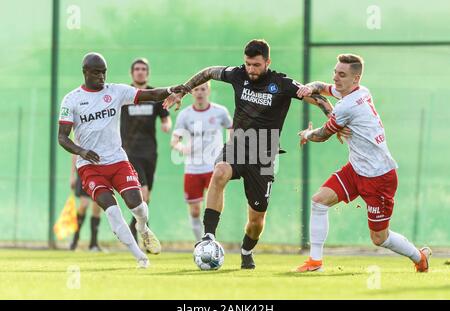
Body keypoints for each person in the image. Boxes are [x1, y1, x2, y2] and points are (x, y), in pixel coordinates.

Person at [163, 39, 341, 269]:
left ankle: (246, 251)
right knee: (219, 172)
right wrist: (182, 90)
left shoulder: (282, 83)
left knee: (256, 221)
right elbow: (208, 72)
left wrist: (334, 119)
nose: (251, 69)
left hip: (264, 157)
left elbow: (318, 99)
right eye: (248, 64)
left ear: (268, 62)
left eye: (256, 65)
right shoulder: (238, 75)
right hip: (237, 146)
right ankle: (208, 236)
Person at [295, 53, 431, 273]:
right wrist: (309, 87)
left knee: (379, 238)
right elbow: (322, 86)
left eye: (342, 75)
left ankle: (419, 257)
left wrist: (307, 133)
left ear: (355, 78)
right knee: (319, 201)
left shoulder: (347, 106)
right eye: (335, 73)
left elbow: (322, 135)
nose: (336, 78)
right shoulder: (361, 91)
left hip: (379, 176)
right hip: (356, 169)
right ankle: (315, 262)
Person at [58, 52, 186, 268]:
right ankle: (141, 257)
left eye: (104, 72)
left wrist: (171, 90)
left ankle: (143, 228)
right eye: (96, 72)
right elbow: (62, 137)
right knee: (112, 210)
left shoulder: (116, 91)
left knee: (138, 206)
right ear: (85, 72)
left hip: (117, 160)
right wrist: (81, 151)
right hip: (90, 166)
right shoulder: (71, 100)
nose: (101, 76)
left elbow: (151, 94)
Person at [171, 82, 232, 241]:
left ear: (208, 91)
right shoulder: (185, 115)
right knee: (195, 211)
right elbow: (174, 141)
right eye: (196, 89)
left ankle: (211, 238)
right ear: (191, 92)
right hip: (193, 168)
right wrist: (182, 148)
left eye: (203, 89)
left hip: (214, 167)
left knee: (213, 205)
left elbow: (232, 130)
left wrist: (230, 149)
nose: (199, 92)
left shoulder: (220, 111)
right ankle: (200, 243)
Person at [121, 58, 172, 244]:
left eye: (143, 69)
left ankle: (138, 228)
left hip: (150, 153)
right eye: (137, 69)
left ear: (147, 73)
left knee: (146, 195)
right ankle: (139, 232)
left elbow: (165, 117)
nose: (140, 72)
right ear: (132, 73)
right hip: (130, 152)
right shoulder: (124, 95)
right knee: (142, 192)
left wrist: (167, 124)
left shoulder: (154, 95)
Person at [69, 154, 102, 251]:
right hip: (84, 171)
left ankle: (93, 244)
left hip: (99, 172)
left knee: (97, 208)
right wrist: (72, 175)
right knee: (84, 204)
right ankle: (75, 239)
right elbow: (75, 153)